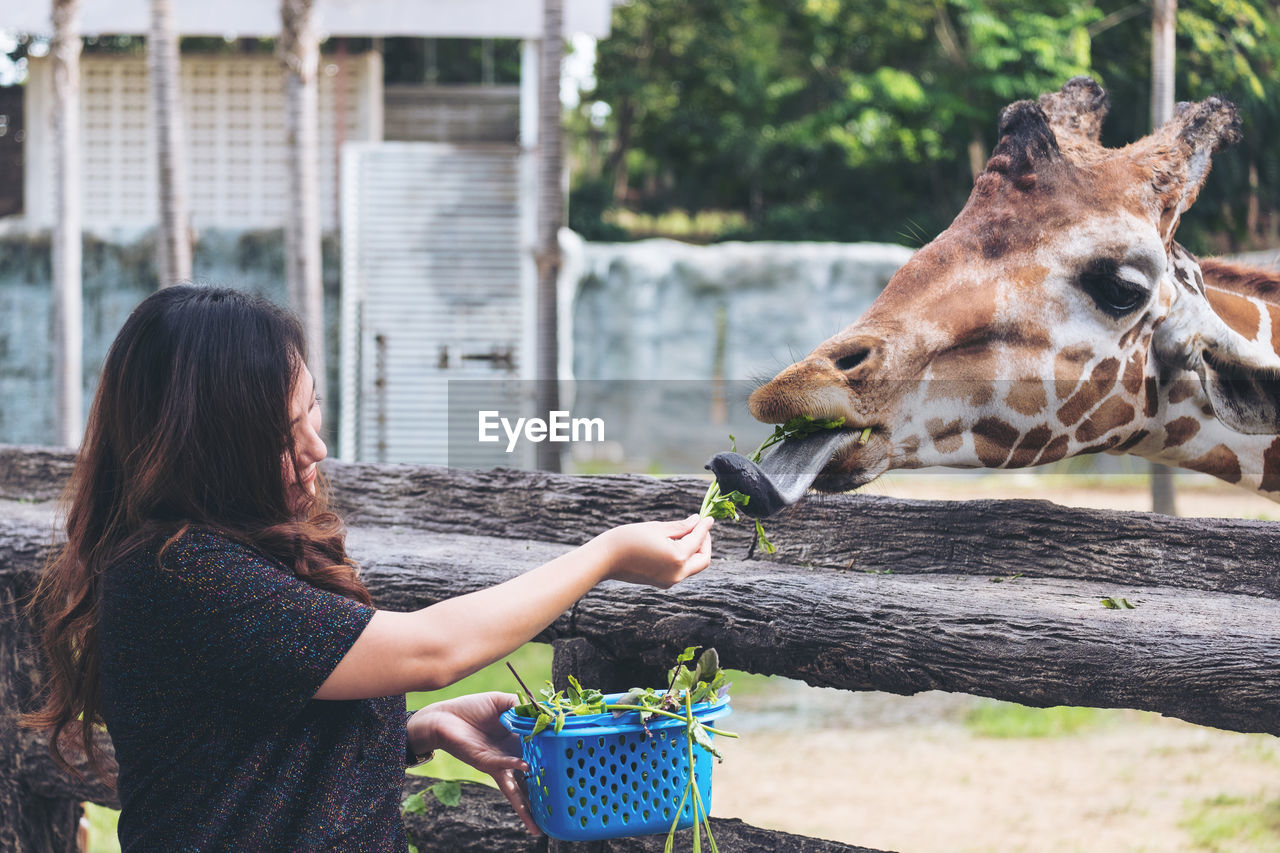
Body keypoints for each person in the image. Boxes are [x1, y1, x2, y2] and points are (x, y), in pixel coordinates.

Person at [23, 285, 714, 851]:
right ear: (208, 449)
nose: (317, 447)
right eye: (284, 435)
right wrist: (607, 553)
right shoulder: (183, 573)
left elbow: (243, 751)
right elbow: (430, 649)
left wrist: (415, 729)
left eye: (312, 411)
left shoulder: (213, 556)